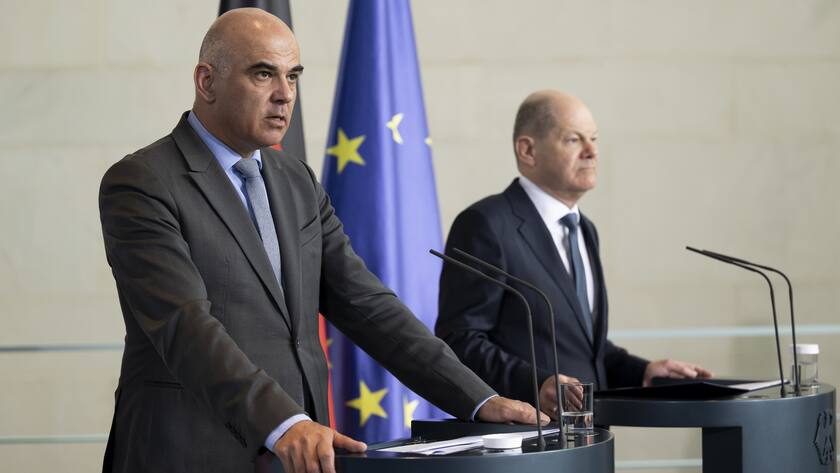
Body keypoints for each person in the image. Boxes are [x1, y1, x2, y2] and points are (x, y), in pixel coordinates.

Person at [98, 9, 543, 473]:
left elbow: (368, 305)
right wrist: (284, 423)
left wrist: (478, 400)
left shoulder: (296, 181)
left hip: (302, 457)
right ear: (207, 81)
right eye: (263, 74)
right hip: (188, 452)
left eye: (293, 77)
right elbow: (184, 326)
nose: (284, 95)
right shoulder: (143, 182)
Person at [436, 90, 712, 418]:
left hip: (589, 440)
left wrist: (643, 371)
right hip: (524, 439)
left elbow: (583, 350)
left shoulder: (584, 229)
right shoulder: (486, 224)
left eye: (594, 139)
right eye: (573, 140)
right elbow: (460, 340)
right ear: (527, 150)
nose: (592, 151)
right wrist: (536, 384)